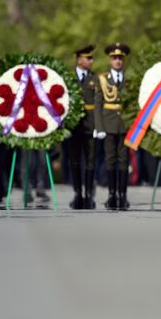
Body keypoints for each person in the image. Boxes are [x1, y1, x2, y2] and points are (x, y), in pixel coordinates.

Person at [94, 42, 131, 210]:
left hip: (125, 125)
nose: (117, 61)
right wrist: (99, 127)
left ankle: (122, 195)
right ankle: (111, 194)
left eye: (120, 58)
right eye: (114, 58)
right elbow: (98, 105)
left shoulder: (129, 79)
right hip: (108, 125)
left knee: (124, 160)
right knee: (110, 160)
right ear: (110, 60)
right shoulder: (102, 79)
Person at [68, 44, 98, 209]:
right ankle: (78, 193)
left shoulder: (95, 78)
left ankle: (89, 194)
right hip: (74, 126)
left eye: (91, 57)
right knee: (74, 161)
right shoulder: (69, 78)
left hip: (90, 124)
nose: (91, 60)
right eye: (88, 58)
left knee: (91, 161)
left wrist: (98, 125)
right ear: (79, 60)